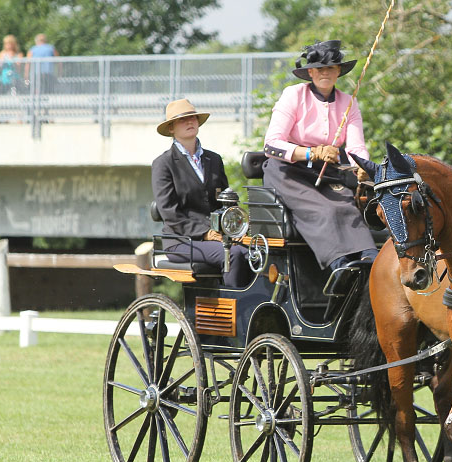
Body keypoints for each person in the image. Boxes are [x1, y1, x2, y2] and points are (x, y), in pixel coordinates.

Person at [262, 40, 376, 293]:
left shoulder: (349, 102)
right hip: (287, 171)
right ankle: (340, 266)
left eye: (331, 68)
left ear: (338, 72)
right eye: (319, 68)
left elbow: (356, 148)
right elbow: (271, 145)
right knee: (324, 210)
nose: (325, 72)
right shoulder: (293, 95)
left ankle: (370, 259)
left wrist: (363, 167)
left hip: (327, 172)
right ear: (310, 72)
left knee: (347, 206)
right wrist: (311, 152)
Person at [151, 98, 251, 288]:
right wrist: (205, 233)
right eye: (182, 120)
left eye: (193, 118)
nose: (190, 122)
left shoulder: (213, 159)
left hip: (218, 237)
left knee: (257, 254)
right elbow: (170, 213)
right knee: (233, 254)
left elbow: (225, 203)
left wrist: (236, 228)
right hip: (180, 241)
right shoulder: (163, 164)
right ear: (171, 128)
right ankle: (235, 313)